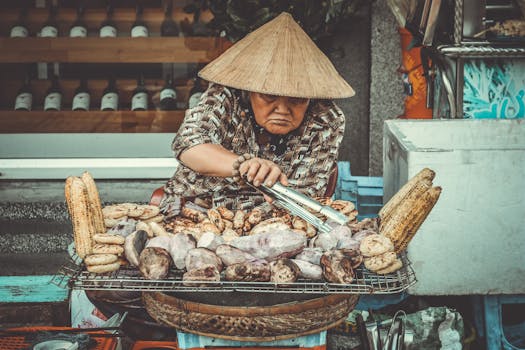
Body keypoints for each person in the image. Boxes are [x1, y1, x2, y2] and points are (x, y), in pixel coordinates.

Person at [160, 12, 355, 213]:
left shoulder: (326, 119)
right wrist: (244, 165)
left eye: (296, 99)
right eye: (269, 96)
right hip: (196, 208)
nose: (282, 109)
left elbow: (304, 195)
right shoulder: (225, 96)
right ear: (250, 90)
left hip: (277, 221)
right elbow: (189, 144)